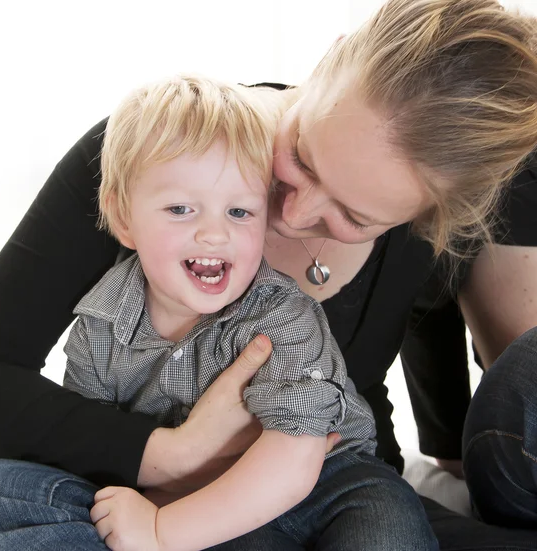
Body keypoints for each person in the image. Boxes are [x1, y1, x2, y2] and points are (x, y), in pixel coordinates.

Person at [0, 0, 536, 549]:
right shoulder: (157, 151)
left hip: (319, 491)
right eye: (301, 154)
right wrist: (171, 459)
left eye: (353, 217)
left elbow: (430, 326)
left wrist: (446, 451)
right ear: (327, 60)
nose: (295, 215)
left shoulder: (423, 221)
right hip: (142, 499)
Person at [59, 73, 434, 550]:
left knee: (387, 528)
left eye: (239, 213)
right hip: (190, 492)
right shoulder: (100, 323)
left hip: (329, 479)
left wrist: (161, 531)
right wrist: (154, 497)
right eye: (180, 209)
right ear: (123, 218)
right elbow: (91, 440)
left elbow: (295, 457)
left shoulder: (281, 315)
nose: (215, 234)